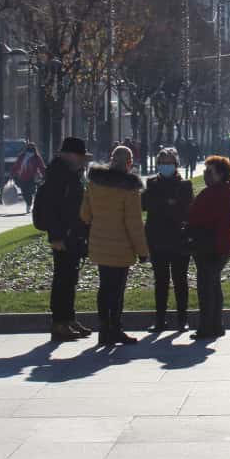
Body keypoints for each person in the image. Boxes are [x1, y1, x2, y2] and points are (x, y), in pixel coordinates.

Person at [80, 145, 149, 346]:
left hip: (100, 244)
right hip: (121, 247)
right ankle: (115, 328)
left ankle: (104, 329)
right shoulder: (129, 188)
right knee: (117, 291)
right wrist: (142, 251)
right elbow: (134, 223)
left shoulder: (95, 183)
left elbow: (85, 214)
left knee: (104, 288)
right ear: (129, 163)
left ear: (111, 159)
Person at [32, 136, 91, 342]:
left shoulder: (71, 174)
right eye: (80, 156)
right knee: (62, 279)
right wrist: (56, 236)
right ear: (70, 155)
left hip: (72, 234)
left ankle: (68, 318)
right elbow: (51, 209)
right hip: (63, 236)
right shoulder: (58, 176)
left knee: (70, 278)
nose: (83, 161)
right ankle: (59, 322)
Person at [143, 147, 194, 332]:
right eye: (163, 162)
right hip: (157, 238)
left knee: (180, 280)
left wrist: (165, 205)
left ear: (176, 164)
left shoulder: (184, 185)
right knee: (161, 281)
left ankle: (182, 319)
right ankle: (159, 319)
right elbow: (147, 205)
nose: (166, 166)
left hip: (179, 238)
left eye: (169, 162)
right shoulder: (151, 183)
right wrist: (168, 203)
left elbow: (185, 209)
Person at [188, 155, 230, 339]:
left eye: (209, 172)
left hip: (211, 246)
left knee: (206, 289)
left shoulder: (216, 193)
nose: (206, 175)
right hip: (217, 245)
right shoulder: (223, 191)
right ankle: (216, 325)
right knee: (213, 286)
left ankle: (207, 327)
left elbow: (201, 217)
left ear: (220, 174)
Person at [9, 142, 45, 211]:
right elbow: (16, 165)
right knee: (24, 192)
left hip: (32, 177)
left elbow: (41, 167)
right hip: (22, 177)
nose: (30, 149)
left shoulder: (36, 157)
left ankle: (29, 204)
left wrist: (44, 175)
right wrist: (12, 174)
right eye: (29, 147)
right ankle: (28, 203)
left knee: (30, 191)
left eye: (32, 148)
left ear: (34, 149)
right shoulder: (22, 156)